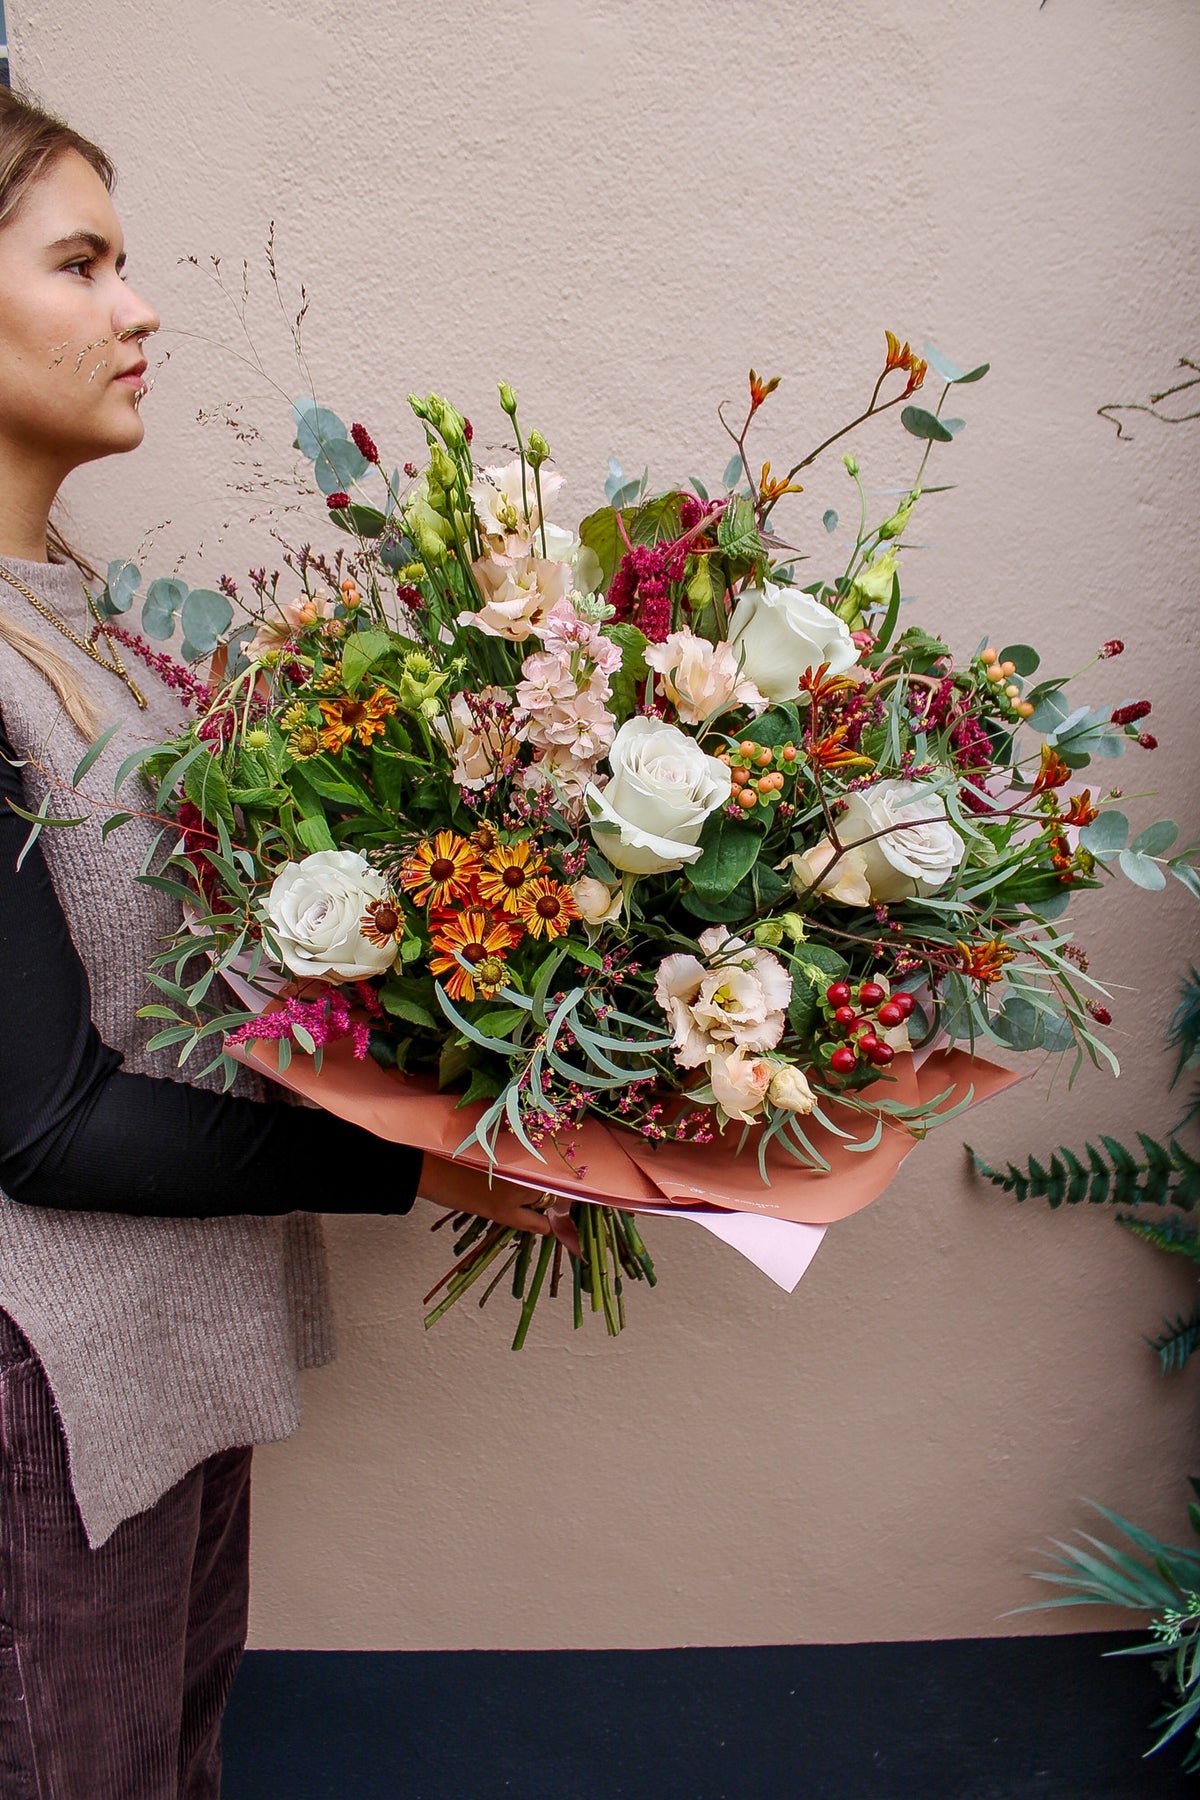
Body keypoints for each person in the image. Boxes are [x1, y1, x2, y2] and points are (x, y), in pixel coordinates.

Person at [0, 87, 549, 1800]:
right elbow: (40, 1116)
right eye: (79, 263)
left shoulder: (80, 603)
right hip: (42, 1389)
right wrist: (432, 1168)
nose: (139, 306)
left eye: (126, 261)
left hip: (166, 1359)